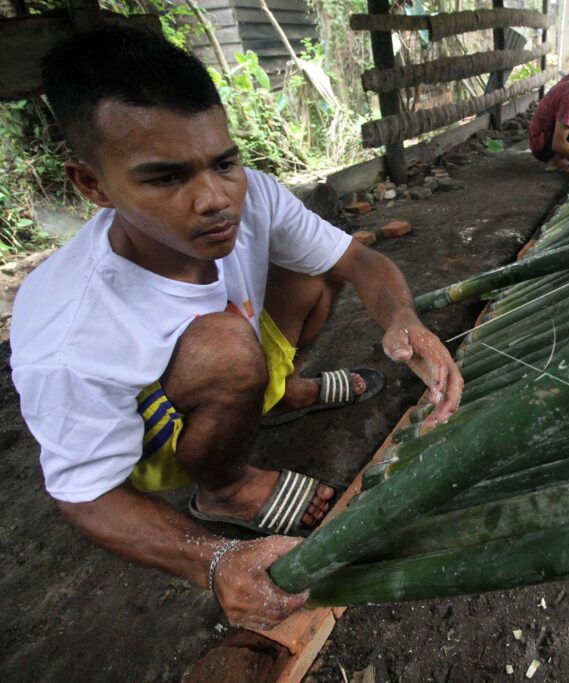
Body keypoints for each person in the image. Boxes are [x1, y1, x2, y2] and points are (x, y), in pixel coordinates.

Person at [10, 27, 463, 630]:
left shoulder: (251, 199)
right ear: (92, 185)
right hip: (155, 441)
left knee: (313, 273)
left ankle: (277, 393)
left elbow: (359, 262)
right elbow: (82, 492)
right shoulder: (72, 332)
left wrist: (405, 319)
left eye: (224, 163)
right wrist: (213, 559)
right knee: (225, 346)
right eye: (166, 178)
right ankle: (223, 487)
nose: (215, 199)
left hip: (231, 360)